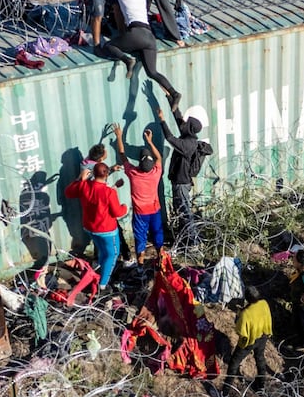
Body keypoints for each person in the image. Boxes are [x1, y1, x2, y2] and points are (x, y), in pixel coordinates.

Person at [101, 0, 182, 104]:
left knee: (109, 45)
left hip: (135, 33)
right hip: (150, 37)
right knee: (152, 72)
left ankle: (127, 61)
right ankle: (174, 92)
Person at [64, 162, 128, 290]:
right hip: (107, 230)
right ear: (107, 175)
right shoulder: (109, 192)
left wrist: (79, 179)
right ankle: (102, 285)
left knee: (103, 251)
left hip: (90, 228)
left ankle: (96, 272)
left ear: (92, 173)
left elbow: (68, 192)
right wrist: (125, 207)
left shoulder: (84, 186)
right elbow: (117, 212)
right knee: (112, 254)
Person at [112, 122, 164, 266]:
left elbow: (122, 155)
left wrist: (119, 137)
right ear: (151, 164)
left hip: (140, 213)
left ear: (139, 164)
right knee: (158, 234)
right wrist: (150, 142)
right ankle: (161, 259)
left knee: (140, 237)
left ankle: (140, 265)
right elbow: (159, 158)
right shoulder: (156, 173)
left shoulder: (133, 173)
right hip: (155, 210)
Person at [157, 106, 204, 246]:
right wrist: (174, 107)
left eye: (187, 123)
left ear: (189, 127)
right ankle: (186, 238)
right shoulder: (188, 138)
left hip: (181, 183)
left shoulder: (187, 144)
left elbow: (170, 138)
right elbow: (180, 123)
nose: (184, 124)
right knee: (182, 211)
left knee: (185, 212)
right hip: (181, 182)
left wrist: (162, 120)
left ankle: (193, 242)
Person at [223, 286, 273, 396]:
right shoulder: (264, 303)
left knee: (234, 363)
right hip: (263, 336)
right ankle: (261, 386)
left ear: (247, 299)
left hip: (249, 341)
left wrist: (238, 316)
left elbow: (240, 331)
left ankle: (225, 392)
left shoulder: (245, 313)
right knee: (260, 358)